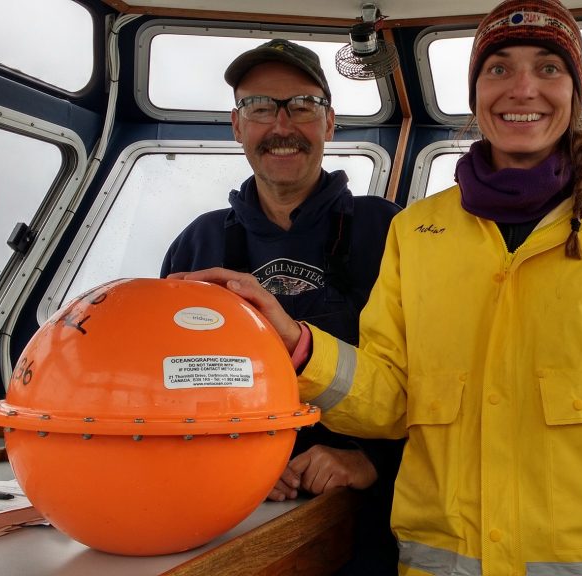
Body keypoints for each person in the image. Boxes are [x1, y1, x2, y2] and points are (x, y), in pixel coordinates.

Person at [172, 1, 582, 573]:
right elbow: (391, 399)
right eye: (498, 68)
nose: (522, 88)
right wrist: (298, 344)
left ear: (575, 93)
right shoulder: (415, 232)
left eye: (548, 67)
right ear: (476, 92)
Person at [161, 39, 402, 576]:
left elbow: (436, 383)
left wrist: (369, 462)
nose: (282, 125)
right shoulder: (197, 244)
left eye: (303, 106)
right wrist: (236, 466)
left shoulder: (390, 232)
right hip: (231, 519)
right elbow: (169, 391)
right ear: (236, 125)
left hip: (374, 521)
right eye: (259, 107)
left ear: (330, 123)